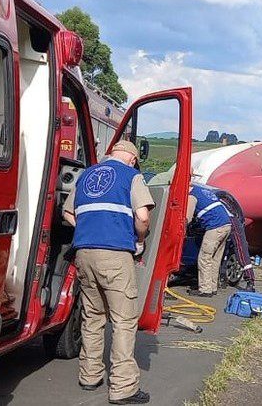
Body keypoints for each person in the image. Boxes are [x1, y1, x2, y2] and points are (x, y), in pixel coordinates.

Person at [62, 140, 154, 405]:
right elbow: (143, 217)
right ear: (133, 159)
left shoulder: (87, 174)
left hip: (84, 252)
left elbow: (68, 212)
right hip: (115, 254)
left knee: (93, 316)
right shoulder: (131, 176)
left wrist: (88, 227)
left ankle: (90, 375)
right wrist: (139, 239)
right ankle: (123, 387)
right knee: (124, 321)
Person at [185, 184, 232, 297]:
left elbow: (187, 218)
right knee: (215, 258)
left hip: (214, 227)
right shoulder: (202, 190)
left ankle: (205, 289)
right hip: (226, 225)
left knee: (204, 258)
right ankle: (212, 287)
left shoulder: (192, 196)